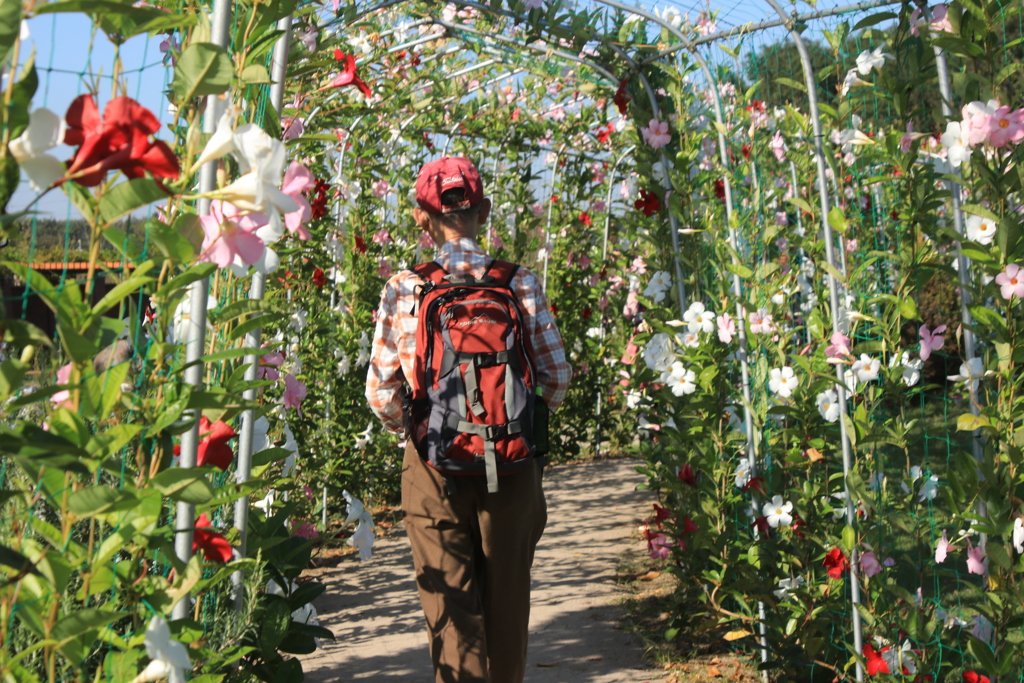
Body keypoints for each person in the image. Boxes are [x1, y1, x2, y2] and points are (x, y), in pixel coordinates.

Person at [366, 156, 571, 683]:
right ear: (483, 210)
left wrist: (425, 430)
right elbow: (556, 377)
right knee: (507, 609)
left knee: (453, 620)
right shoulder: (518, 283)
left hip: (433, 466)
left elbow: (381, 393)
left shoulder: (404, 289)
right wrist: (513, 423)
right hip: (513, 462)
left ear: (421, 217)